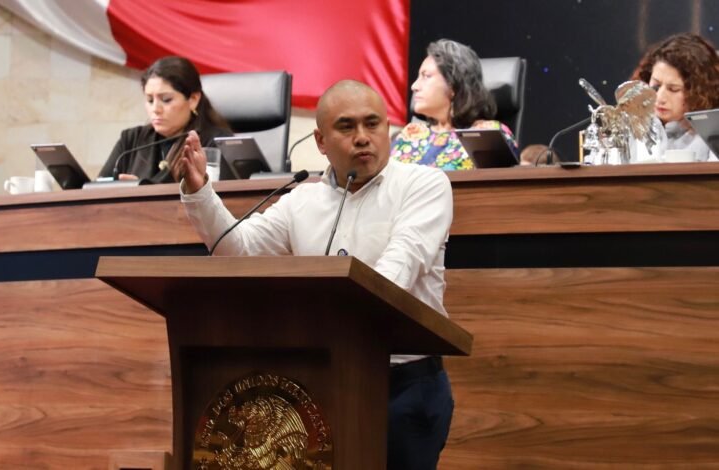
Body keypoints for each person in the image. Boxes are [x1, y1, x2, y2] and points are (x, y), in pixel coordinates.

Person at [176, 80, 455, 469]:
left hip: (405, 385)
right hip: (323, 380)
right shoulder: (301, 200)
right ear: (321, 141)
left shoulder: (423, 185)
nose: (363, 137)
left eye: (373, 124)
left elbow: (397, 271)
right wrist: (201, 192)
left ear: (388, 129)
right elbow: (238, 249)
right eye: (346, 127)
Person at [98, 56, 233, 182]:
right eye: (150, 100)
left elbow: (218, 196)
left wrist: (142, 191)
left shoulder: (216, 143)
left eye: (166, 99)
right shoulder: (130, 140)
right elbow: (98, 188)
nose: (155, 109)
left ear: (193, 100)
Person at [390, 39, 518, 170]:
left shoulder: (487, 135)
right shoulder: (410, 134)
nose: (414, 86)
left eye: (426, 76)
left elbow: (503, 182)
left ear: (454, 85)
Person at [631, 33, 719, 161]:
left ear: (699, 92)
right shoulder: (635, 130)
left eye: (673, 89)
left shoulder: (713, 135)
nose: (660, 98)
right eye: (656, 86)